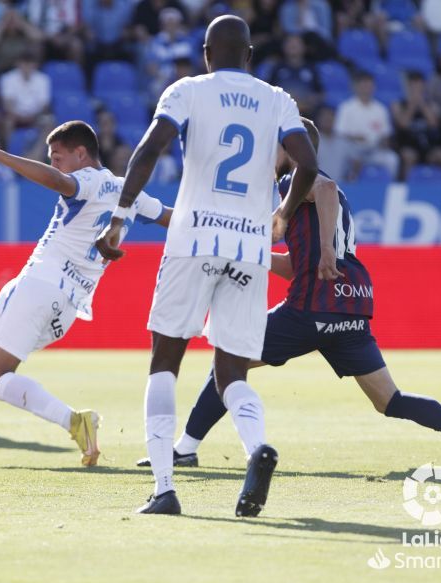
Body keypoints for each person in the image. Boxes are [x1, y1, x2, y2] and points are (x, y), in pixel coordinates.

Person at [139, 117, 441, 474]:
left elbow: (324, 192)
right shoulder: (329, 197)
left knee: (229, 362)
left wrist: (326, 250)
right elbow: (295, 263)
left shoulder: (296, 180)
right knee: (390, 400)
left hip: (313, 304)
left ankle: (185, 450)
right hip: (351, 304)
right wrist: (256, 252)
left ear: (289, 148)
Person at [95, 15, 319, 516]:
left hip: (194, 239)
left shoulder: (188, 90)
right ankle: (256, 447)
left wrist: (120, 216)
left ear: (206, 53)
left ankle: (164, 489)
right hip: (250, 246)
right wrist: (282, 214)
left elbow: (150, 148)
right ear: (250, 56)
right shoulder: (278, 99)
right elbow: (306, 164)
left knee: (165, 362)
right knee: (233, 372)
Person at [0, 121, 172, 468]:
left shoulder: (87, 179)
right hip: (69, 307)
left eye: (57, 156)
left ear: (81, 154)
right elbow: (172, 218)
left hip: (38, 285)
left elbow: (60, 182)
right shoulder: (131, 192)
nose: (54, 163)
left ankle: (73, 421)